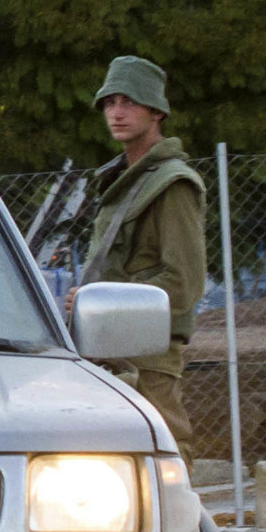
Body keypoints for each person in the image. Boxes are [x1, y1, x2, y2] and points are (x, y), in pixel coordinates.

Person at [76, 56, 207, 443]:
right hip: (107, 350)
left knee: (164, 452)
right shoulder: (124, 179)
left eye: (129, 102)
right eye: (110, 102)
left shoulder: (172, 184)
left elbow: (184, 283)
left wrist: (104, 302)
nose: (117, 113)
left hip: (147, 357)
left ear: (156, 112)